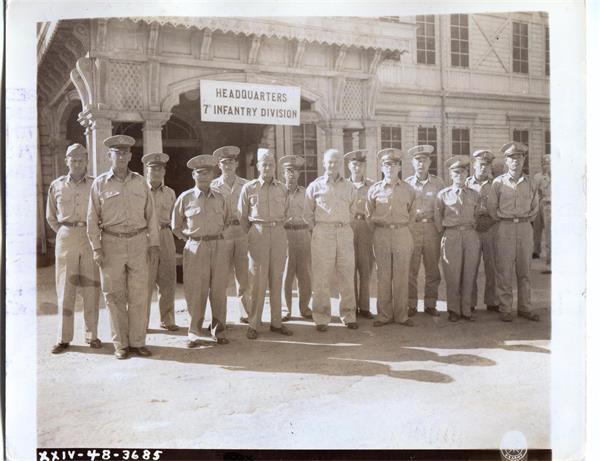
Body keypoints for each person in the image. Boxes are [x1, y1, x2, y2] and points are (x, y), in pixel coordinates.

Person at [87, 135, 160, 360]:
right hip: (111, 243)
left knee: (139, 294)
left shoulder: (140, 182)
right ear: (110, 156)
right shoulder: (99, 183)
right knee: (114, 296)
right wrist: (97, 248)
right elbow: (91, 219)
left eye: (124, 153)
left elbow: (151, 216)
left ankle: (138, 342)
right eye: (116, 153)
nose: (120, 157)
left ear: (130, 156)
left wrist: (154, 244)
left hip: (138, 242)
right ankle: (121, 344)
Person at [46, 143, 101, 354]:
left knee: (92, 287)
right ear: (66, 161)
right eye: (73, 159)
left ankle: (92, 335)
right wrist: (63, 231)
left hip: (89, 236)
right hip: (66, 236)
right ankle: (63, 338)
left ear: (86, 161)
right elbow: (50, 215)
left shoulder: (95, 185)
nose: (77, 163)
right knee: (65, 288)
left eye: (81, 159)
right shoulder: (57, 185)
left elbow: (101, 211)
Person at [172, 154, 230, 347]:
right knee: (196, 291)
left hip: (218, 246)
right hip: (196, 247)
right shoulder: (186, 198)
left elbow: (227, 220)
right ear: (193, 175)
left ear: (213, 175)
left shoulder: (221, 198)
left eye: (207, 173)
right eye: (199, 173)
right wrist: (190, 239)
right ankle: (194, 332)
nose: (204, 176)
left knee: (219, 290)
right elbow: (176, 226)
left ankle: (218, 330)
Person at [239, 148, 292, 340]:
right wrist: (255, 232)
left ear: (275, 166)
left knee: (277, 279)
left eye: (271, 164)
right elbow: (242, 217)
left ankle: (276, 323)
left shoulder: (282, 189)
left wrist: (274, 226)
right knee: (258, 281)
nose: (267, 167)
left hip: (278, 232)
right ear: (258, 166)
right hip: (258, 232)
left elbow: (286, 213)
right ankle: (254, 323)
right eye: (264, 164)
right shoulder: (249, 188)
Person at [305, 148, 358, 332]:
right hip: (323, 233)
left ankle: (349, 314)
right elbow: (307, 214)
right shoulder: (315, 186)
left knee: (347, 275)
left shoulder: (349, 187)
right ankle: (321, 316)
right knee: (321, 276)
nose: (333, 165)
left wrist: (341, 223)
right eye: (329, 162)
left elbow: (352, 209)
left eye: (336, 162)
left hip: (344, 231)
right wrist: (321, 228)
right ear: (323, 163)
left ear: (340, 165)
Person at [487, 141, 540, 322]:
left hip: (525, 227)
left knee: (524, 270)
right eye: (512, 158)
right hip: (505, 227)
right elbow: (492, 208)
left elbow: (535, 207)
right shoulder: (498, 183)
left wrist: (524, 219)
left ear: (524, 160)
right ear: (506, 162)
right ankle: (506, 309)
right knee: (505, 270)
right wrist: (505, 219)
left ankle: (525, 307)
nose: (516, 162)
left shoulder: (530, 182)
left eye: (519, 158)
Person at [366, 148, 416, 327]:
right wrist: (380, 230)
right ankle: (384, 315)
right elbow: (368, 214)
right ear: (381, 168)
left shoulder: (409, 189)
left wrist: (402, 229)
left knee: (402, 275)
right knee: (383, 275)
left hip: (402, 233)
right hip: (381, 234)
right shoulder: (374, 190)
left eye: (395, 165)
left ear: (400, 167)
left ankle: (402, 315)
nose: (391, 168)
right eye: (387, 165)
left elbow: (412, 215)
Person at [435, 156, 481, 322]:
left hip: (470, 234)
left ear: (467, 173)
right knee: (452, 274)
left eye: (463, 172)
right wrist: (446, 234)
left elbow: (477, 216)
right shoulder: (443, 195)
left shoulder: (474, 195)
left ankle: (466, 309)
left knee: (469, 273)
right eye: (456, 173)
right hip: (451, 235)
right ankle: (454, 309)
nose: (460, 175)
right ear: (451, 175)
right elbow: (437, 217)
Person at [211, 146, 251, 323]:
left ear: (236, 164)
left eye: (231, 162)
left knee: (243, 275)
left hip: (242, 231)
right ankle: (220, 317)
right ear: (219, 165)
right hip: (223, 233)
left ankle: (246, 314)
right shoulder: (213, 186)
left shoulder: (246, 185)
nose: (227, 166)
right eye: (224, 163)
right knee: (221, 276)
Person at [405, 145, 445, 317]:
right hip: (412, 228)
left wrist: (440, 229)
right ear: (413, 163)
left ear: (430, 162)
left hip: (431, 229)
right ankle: (411, 304)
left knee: (432, 269)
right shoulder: (406, 184)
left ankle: (430, 304)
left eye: (424, 160)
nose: (421, 163)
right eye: (418, 160)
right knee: (411, 269)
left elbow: (444, 207)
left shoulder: (438, 183)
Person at [142, 152, 178, 331]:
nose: (156, 172)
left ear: (164, 172)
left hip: (165, 234)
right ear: (146, 171)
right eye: (152, 169)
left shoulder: (170, 193)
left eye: (160, 169)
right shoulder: (140, 190)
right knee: (145, 281)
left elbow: (175, 218)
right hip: (146, 237)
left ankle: (167, 319)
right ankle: (142, 321)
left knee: (168, 279)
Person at [466, 149, 500, 312]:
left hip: (491, 228)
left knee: (492, 265)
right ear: (474, 165)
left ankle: (492, 300)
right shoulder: (466, 183)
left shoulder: (497, 184)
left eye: (487, 165)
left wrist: (492, 220)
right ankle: (470, 301)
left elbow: (502, 205)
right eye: (480, 164)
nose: (484, 168)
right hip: (472, 228)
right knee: (471, 265)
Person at [280, 154, 313, 321]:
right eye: (288, 171)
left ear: (299, 174)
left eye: (295, 171)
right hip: (285, 234)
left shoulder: (306, 193)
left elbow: (312, 213)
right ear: (283, 173)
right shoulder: (278, 192)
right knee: (287, 273)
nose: (292, 174)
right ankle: (286, 310)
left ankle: (305, 308)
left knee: (305, 273)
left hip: (303, 233)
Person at [345, 149, 375, 319]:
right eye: (354, 164)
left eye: (361, 165)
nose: (357, 168)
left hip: (365, 226)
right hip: (348, 227)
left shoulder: (371, 185)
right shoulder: (343, 185)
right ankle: (351, 306)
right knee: (349, 268)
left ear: (364, 167)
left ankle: (364, 307)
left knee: (365, 267)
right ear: (349, 166)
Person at [536, 154, 551, 274]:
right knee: (537, 229)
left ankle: (550, 259)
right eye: (544, 163)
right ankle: (536, 251)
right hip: (540, 203)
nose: (545, 166)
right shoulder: (538, 177)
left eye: (548, 163)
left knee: (549, 232)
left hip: (550, 205)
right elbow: (535, 190)